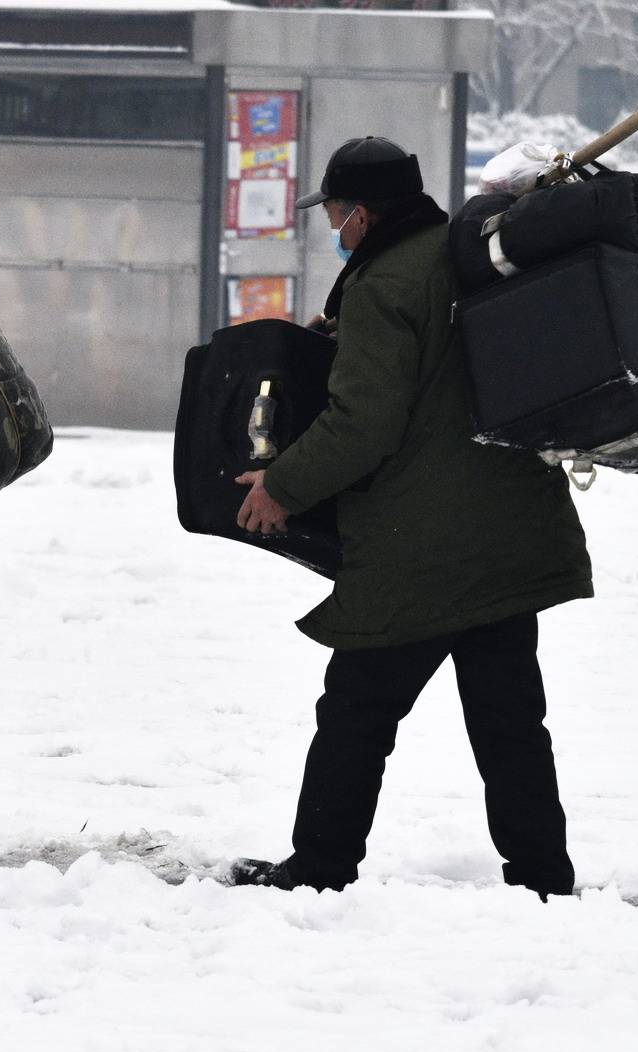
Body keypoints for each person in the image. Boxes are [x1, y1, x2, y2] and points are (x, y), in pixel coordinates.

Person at [228, 137, 593, 899]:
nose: (331, 223)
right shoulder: (462, 253)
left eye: (332, 210)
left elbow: (365, 423)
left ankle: (321, 867)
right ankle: (543, 879)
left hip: (425, 544)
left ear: (359, 214)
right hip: (511, 524)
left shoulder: (382, 284)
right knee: (510, 721)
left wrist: (283, 486)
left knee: (357, 708)